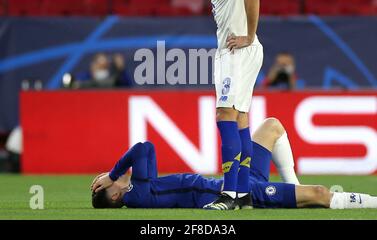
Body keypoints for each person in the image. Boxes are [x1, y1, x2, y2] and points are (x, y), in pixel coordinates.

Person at [91, 118, 377, 210]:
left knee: (272, 126)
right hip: (234, 193)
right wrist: (114, 172)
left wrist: (115, 175)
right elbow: (143, 148)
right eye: (109, 183)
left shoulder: (145, 188)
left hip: (234, 181)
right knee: (320, 195)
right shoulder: (138, 195)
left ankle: (293, 188)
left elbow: (146, 151)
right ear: (115, 195)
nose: (111, 178)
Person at [181, 0, 263, 209]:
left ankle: (228, 194)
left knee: (225, 113)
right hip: (243, 51)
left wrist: (248, 36)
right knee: (240, 118)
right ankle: (242, 195)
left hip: (236, 51)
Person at [68, 53, 132, 89]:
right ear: (93, 64)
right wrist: (92, 74)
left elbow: (127, 85)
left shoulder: (115, 80)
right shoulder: (85, 78)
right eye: (98, 64)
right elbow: (73, 84)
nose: (100, 67)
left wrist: (121, 70)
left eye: (104, 66)